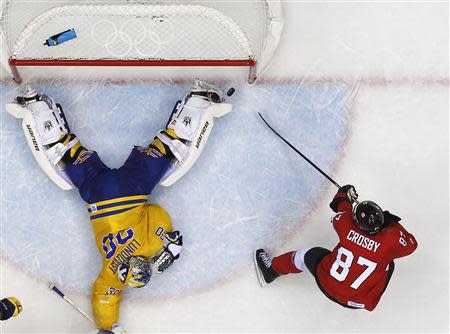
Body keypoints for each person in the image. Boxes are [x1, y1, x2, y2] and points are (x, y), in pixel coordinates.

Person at [8, 80, 232, 333]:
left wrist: (167, 247)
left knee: (170, 149)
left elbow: (157, 214)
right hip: (98, 192)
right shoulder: (113, 275)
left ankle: (199, 100)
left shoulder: (146, 248)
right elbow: (104, 298)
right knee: (65, 152)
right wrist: (106, 328)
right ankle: (36, 105)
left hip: (131, 189)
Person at [254, 185, 418, 311]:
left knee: (307, 255)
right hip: (359, 302)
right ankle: (369, 296)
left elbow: (339, 205)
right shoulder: (391, 241)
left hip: (328, 282)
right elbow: (411, 244)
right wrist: (391, 222)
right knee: (389, 262)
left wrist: (344, 194)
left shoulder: (346, 225)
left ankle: (271, 270)